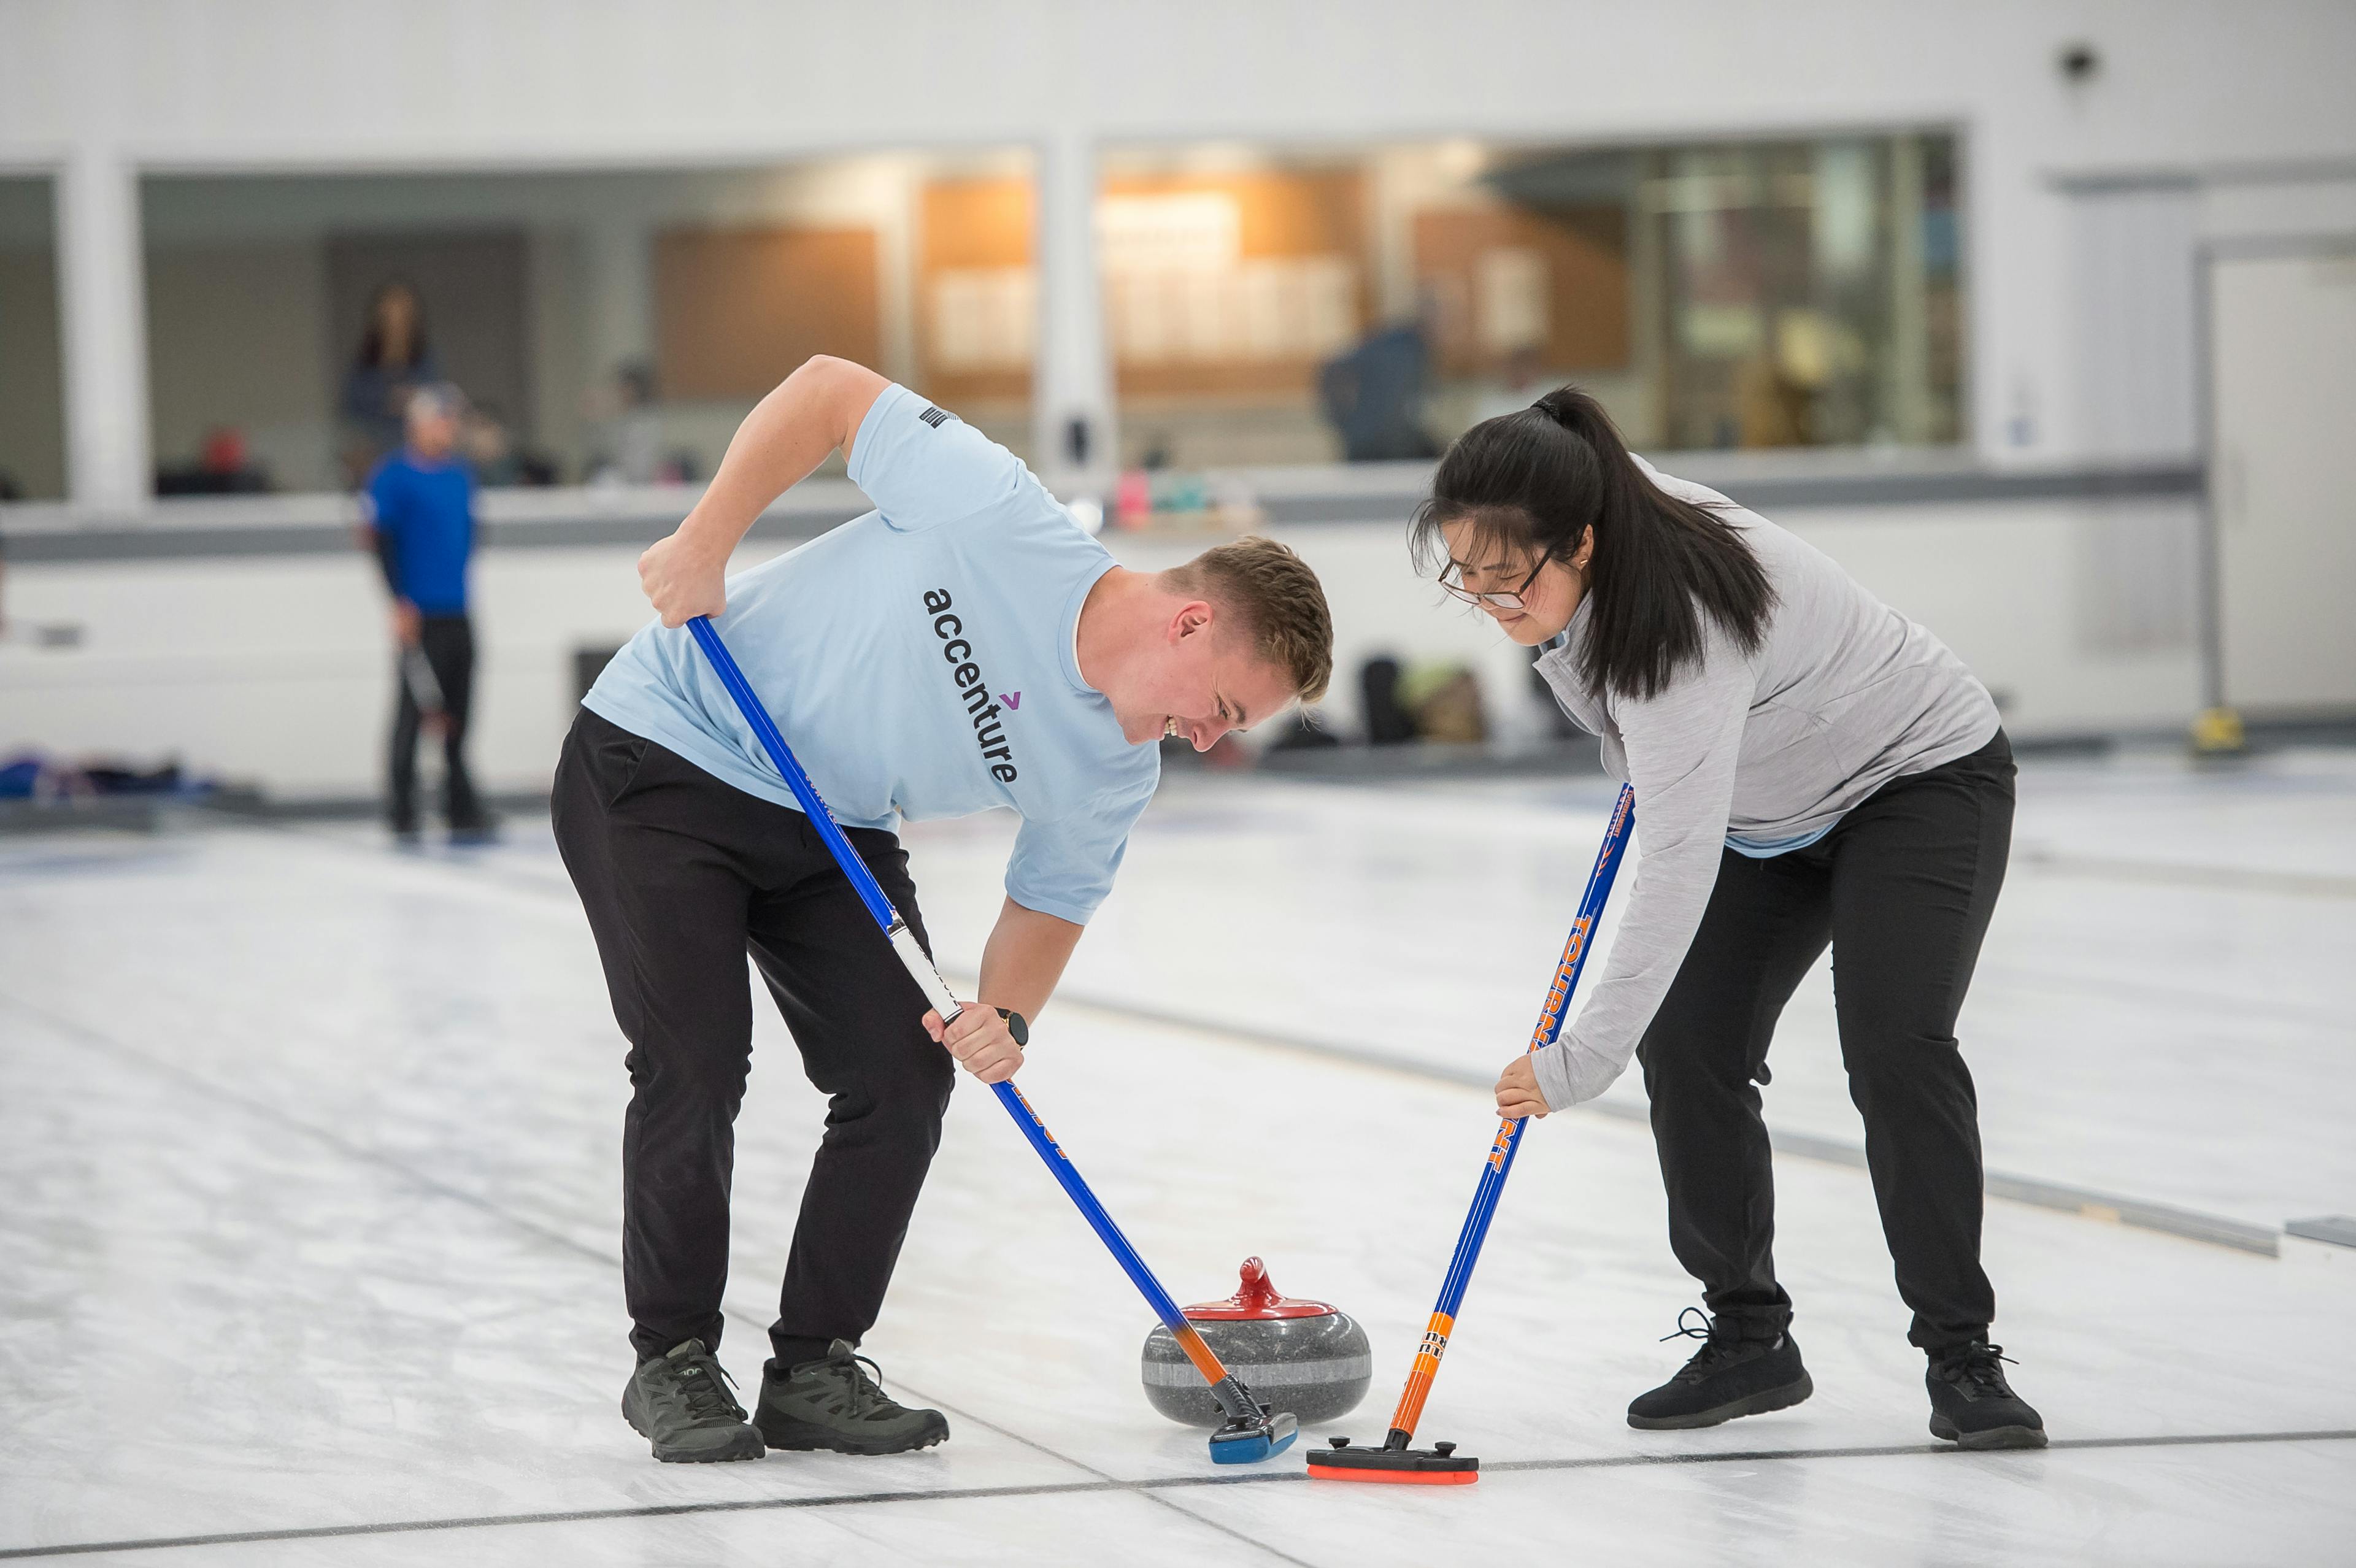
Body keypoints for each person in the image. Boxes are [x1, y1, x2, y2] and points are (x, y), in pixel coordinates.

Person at [552, 355, 1333, 1465]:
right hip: (668, 753)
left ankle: (814, 1363)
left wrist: (1002, 1019)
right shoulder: (998, 512)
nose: (1210, 741)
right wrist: (705, 541)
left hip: (833, 821)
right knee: (697, 1058)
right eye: (1219, 709)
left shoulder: (1116, 770)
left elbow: (1047, 905)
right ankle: (672, 1359)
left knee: (903, 1070)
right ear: (1191, 622)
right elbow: (825, 390)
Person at [1418, 386, 2044, 1452]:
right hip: (1773, 809)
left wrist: (1582, 1057)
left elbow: (1674, 853)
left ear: (1584, 538)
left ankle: (1962, 1354)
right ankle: (1751, 1336)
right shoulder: (1580, 531)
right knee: (1692, 1039)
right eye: (1463, 575)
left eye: (1508, 578)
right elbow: (1637, 746)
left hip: (1920, 778)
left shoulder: (1687, 613)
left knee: (1894, 1046)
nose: (1488, 599)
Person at [363, 385, 491, 842]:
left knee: (460, 709)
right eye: (440, 420)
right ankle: (401, 807)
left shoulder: (461, 475)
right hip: (420, 612)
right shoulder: (393, 476)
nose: (448, 429)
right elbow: (379, 540)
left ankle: (460, 803)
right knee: (414, 709)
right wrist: (398, 600)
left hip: (457, 607)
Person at [341, 280, 441, 483]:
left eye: (402, 313)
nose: (396, 320)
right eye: (390, 312)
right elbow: (351, 407)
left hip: (417, 456)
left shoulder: (425, 359)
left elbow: (434, 401)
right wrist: (389, 400)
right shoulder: (363, 362)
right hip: (373, 453)